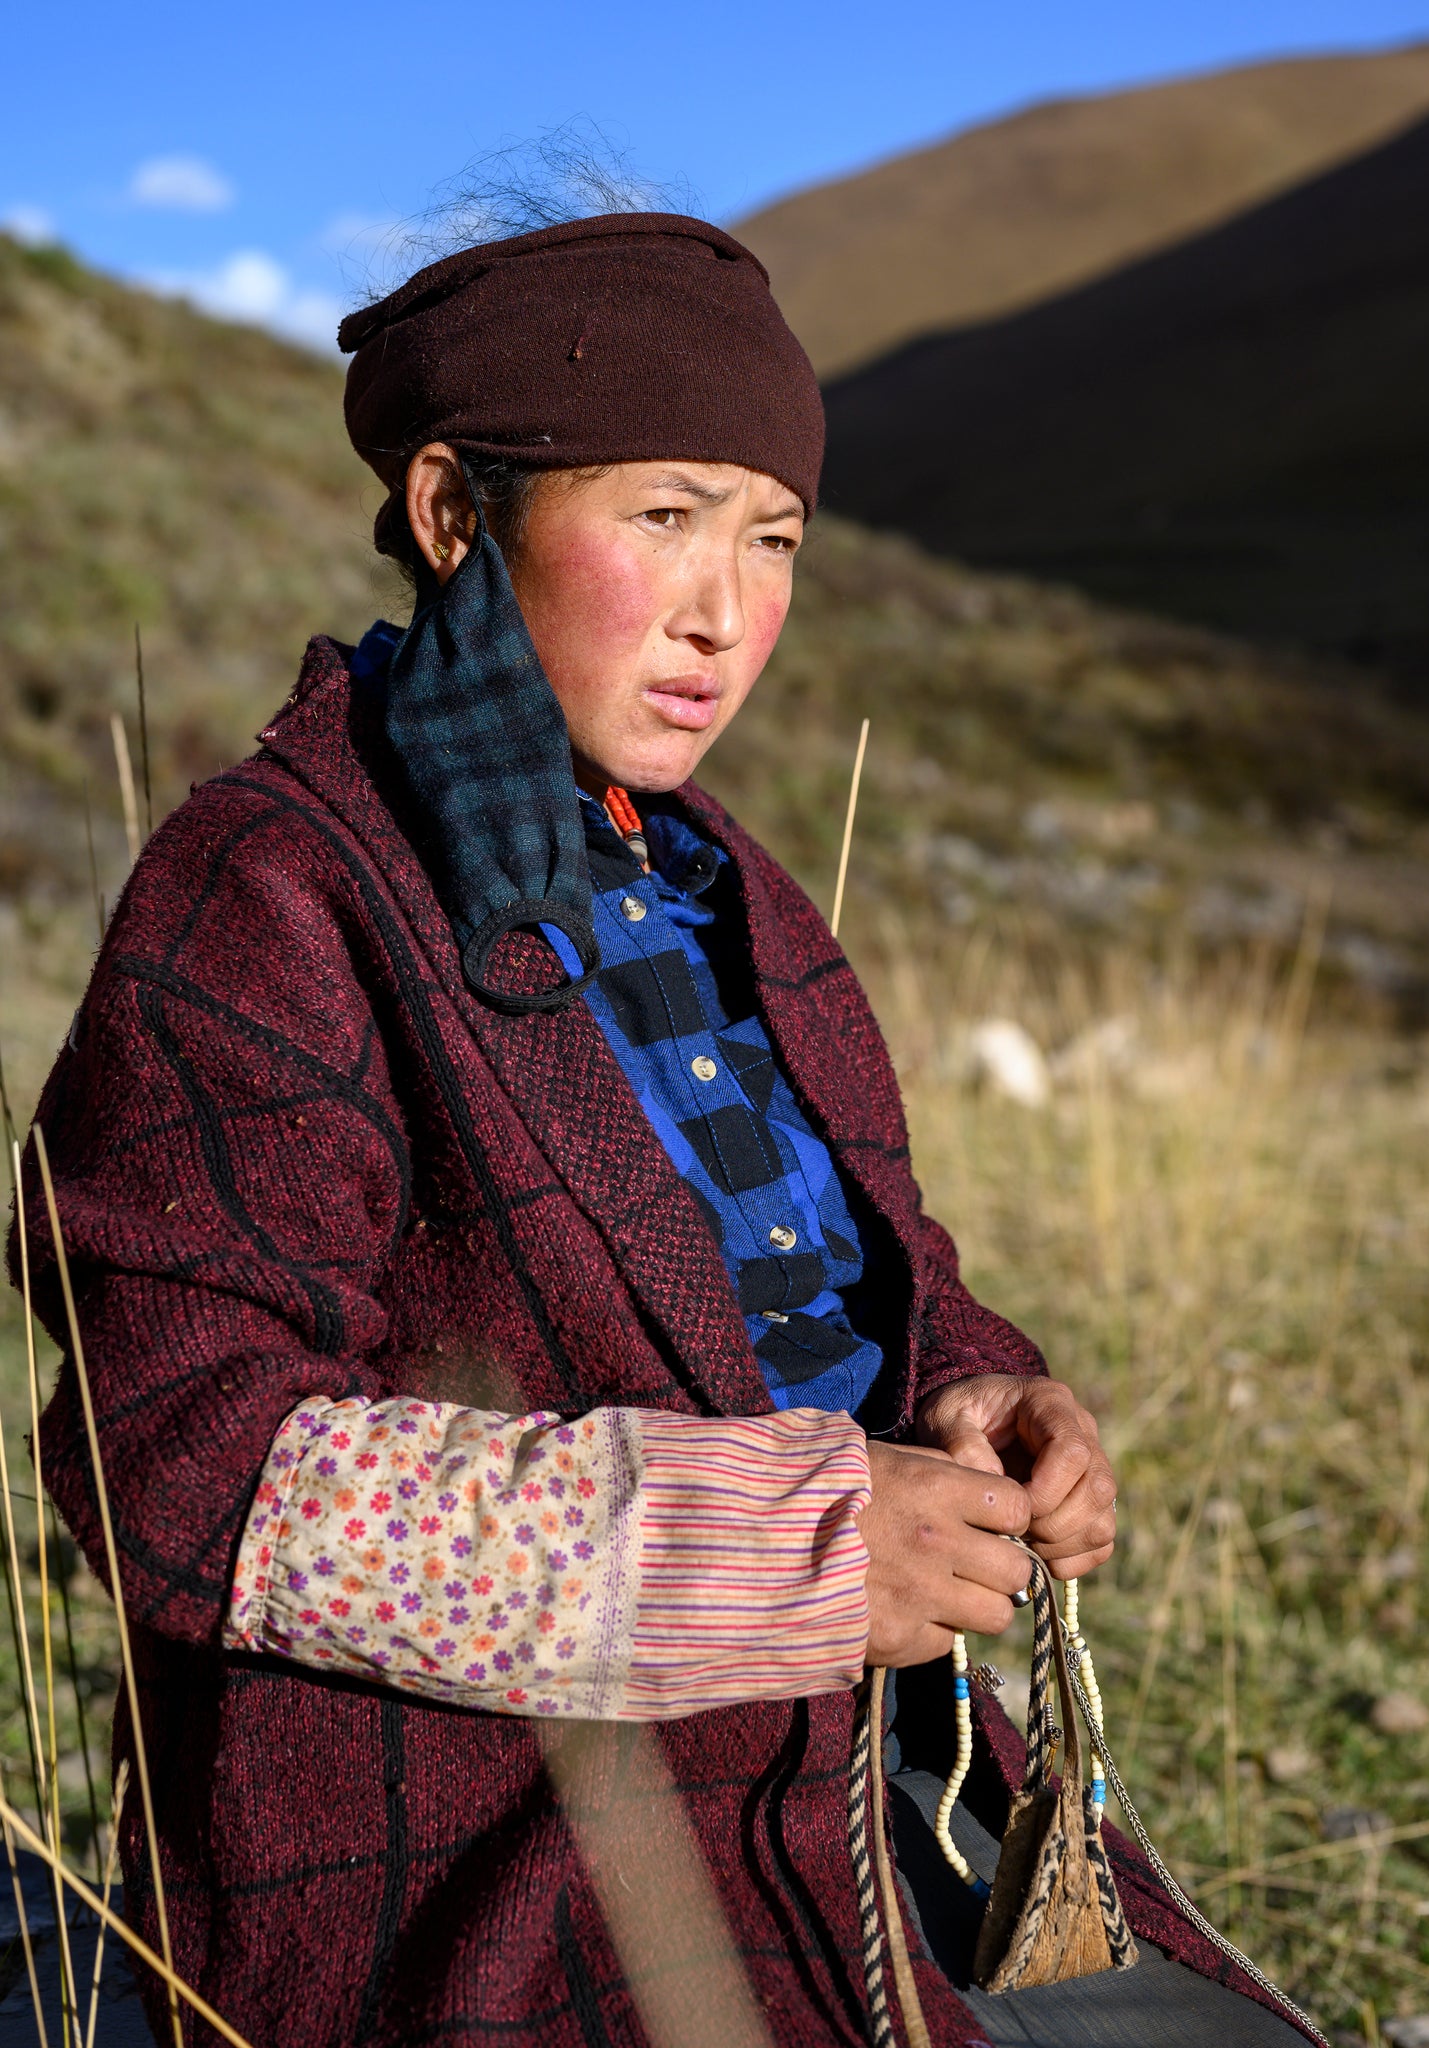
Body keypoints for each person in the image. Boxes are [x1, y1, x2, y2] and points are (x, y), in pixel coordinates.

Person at [14, 211, 1314, 2046]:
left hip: (871, 1772)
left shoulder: (730, 897)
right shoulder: (271, 890)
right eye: (664, 517)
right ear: (459, 514)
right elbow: (178, 1462)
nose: (729, 608)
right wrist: (780, 1554)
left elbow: (863, 1270)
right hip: (491, 1834)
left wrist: (966, 1384)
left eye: (772, 536)